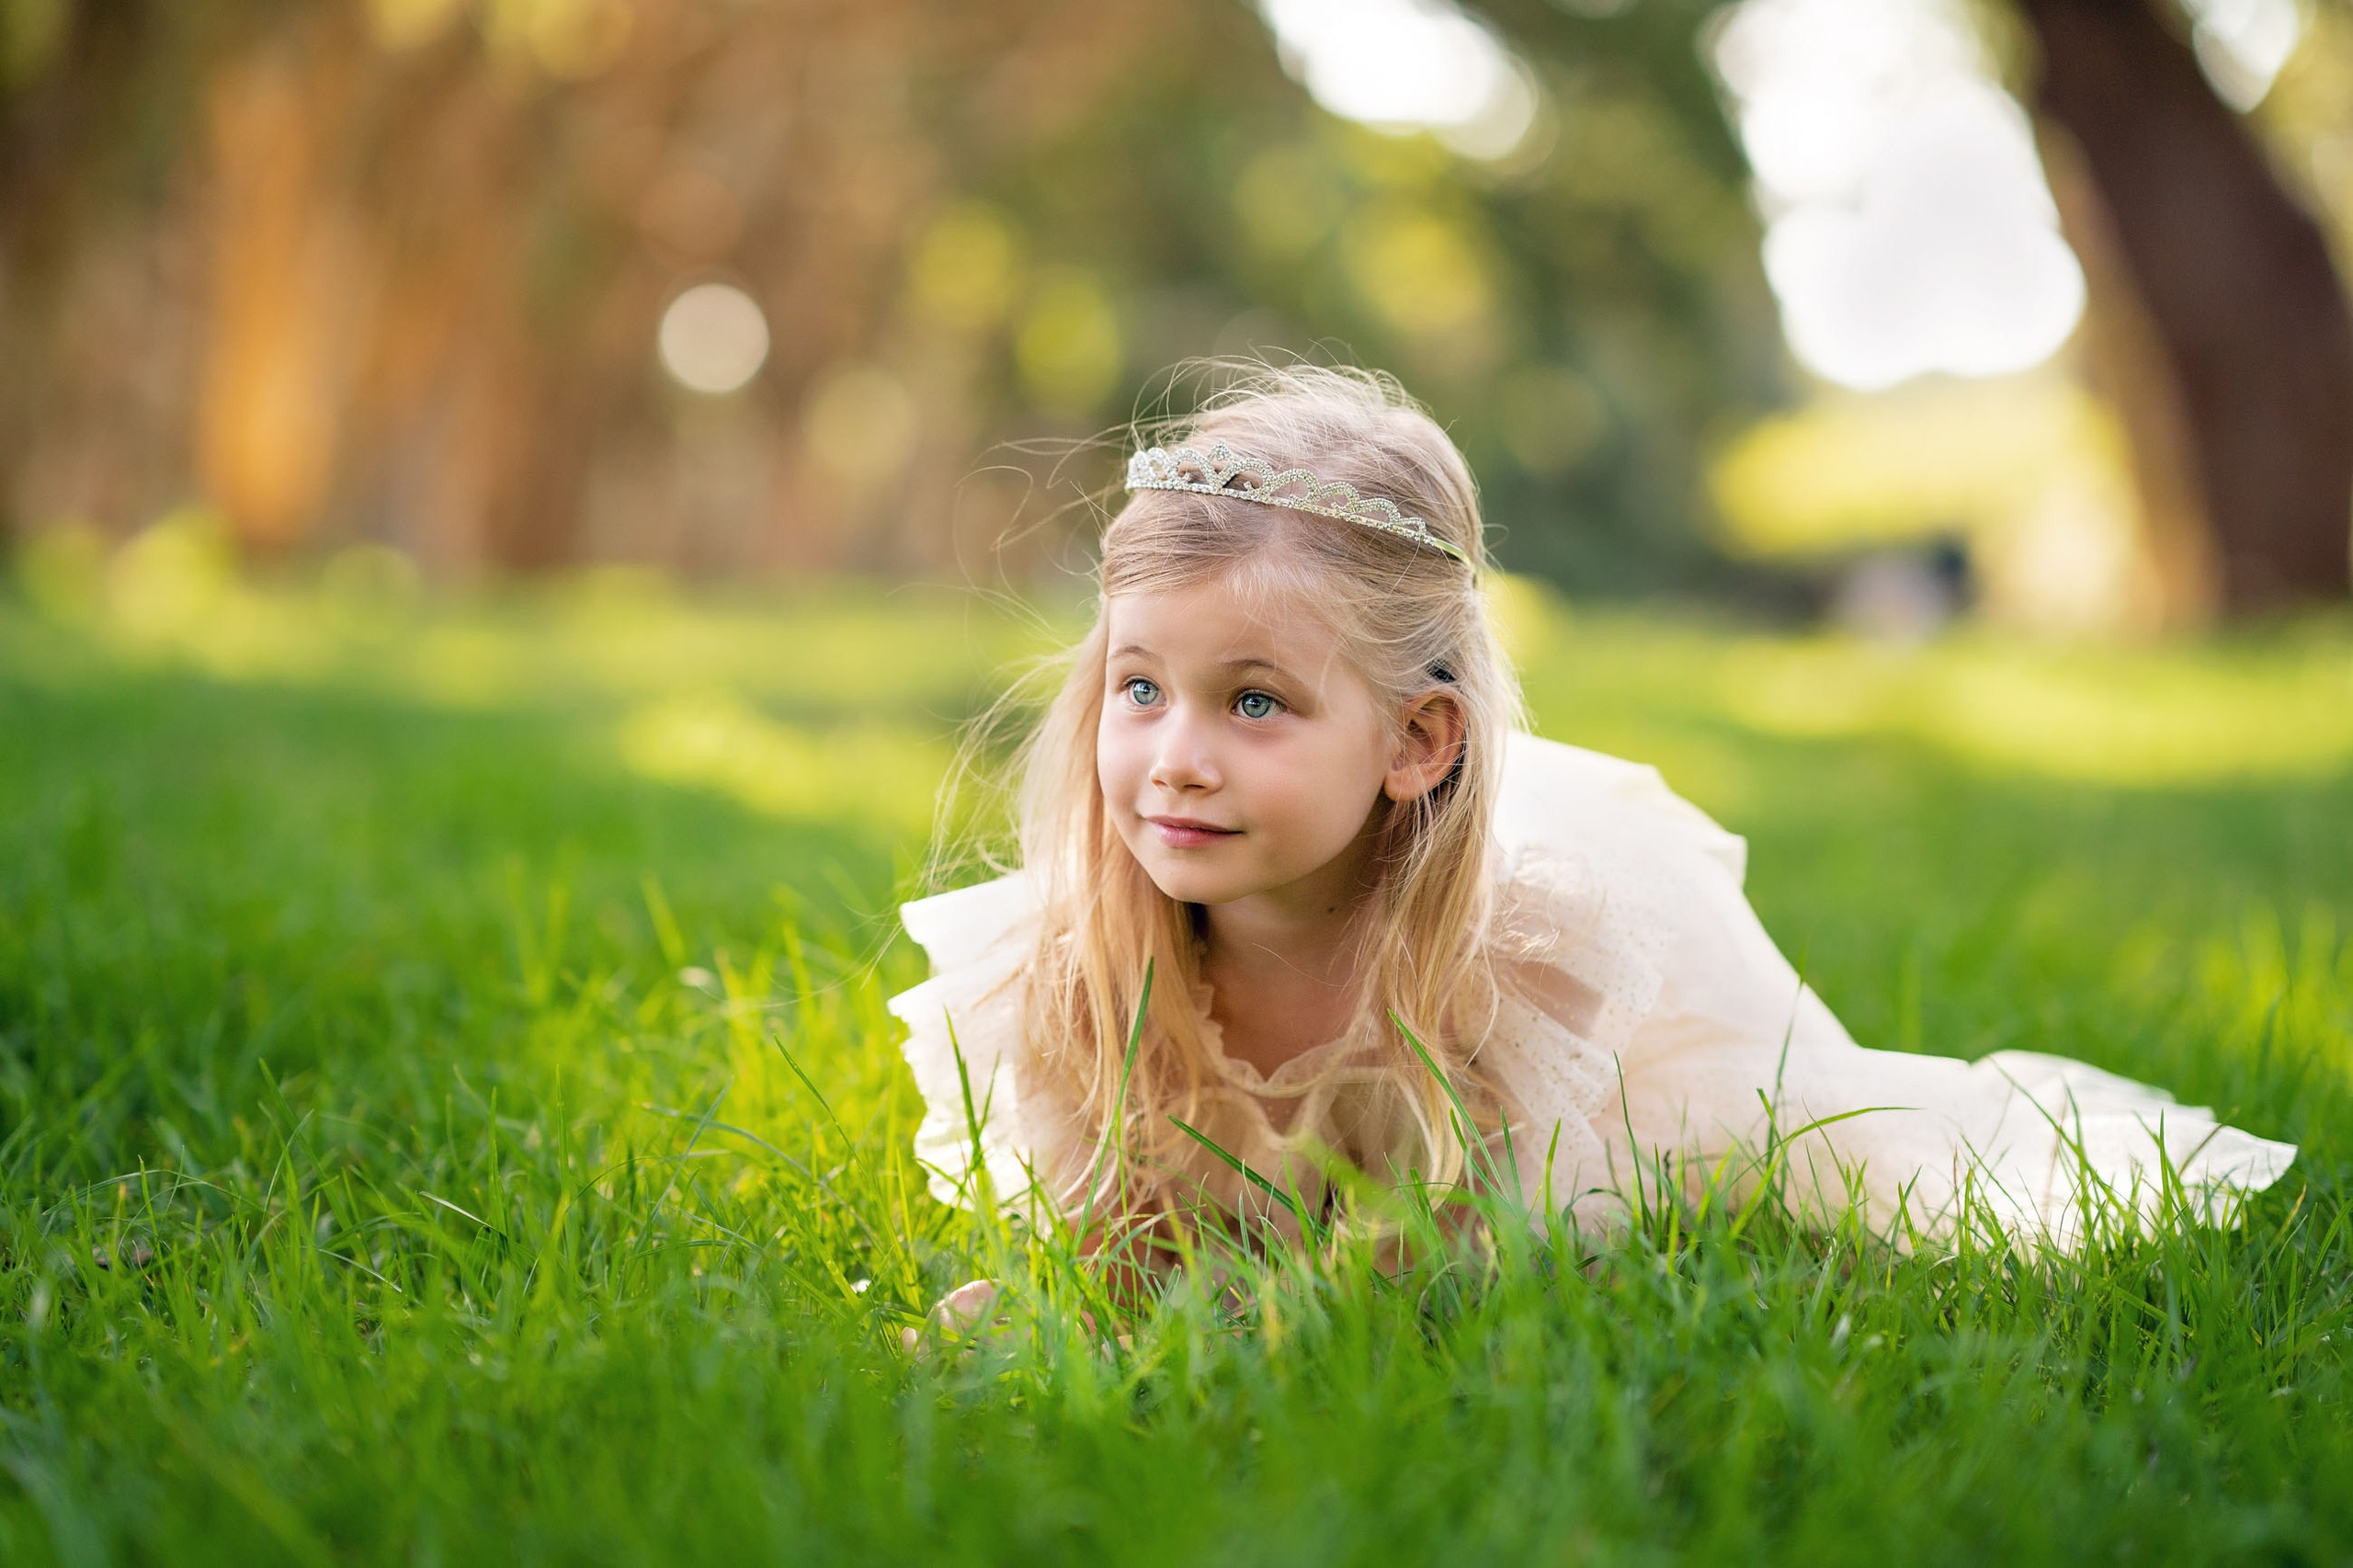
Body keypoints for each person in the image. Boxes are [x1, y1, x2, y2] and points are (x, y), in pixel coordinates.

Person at [886, 364, 2294, 1333]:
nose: (1175, 751)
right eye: (1143, 687)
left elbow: (1469, 1282)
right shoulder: (1069, 977)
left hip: (1632, 1125)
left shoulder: (1523, 983)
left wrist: (1278, 1310)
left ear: (1415, 743)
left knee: (1826, 1170)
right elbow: (1129, 1254)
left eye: (1255, 701)